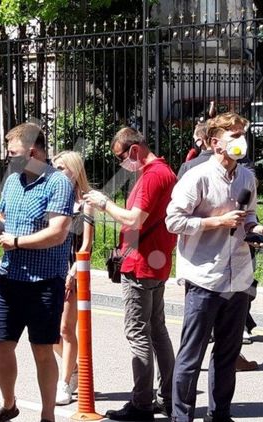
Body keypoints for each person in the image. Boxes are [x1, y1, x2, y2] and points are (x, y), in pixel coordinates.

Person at [165, 112, 263, 422]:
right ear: (214, 142)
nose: (241, 140)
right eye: (233, 135)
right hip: (204, 277)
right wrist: (216, 222)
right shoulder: (197, 177)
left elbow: (249, 214)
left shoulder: (247, 177)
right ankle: (181, 417)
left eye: (242, 134)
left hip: (239, 277)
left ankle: (219, 415)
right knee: (191, 355)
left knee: (227, 354)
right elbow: (173, 221)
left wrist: (255, 229)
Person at [0, 123, 74, 422]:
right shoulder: (12, 181)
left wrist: (17, 241)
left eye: (13, 153)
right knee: (1, 347)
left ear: (33, 152)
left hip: (44, 282)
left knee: (42, 350)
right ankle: (8, 404)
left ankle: (48, 415)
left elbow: (57, 233)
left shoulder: (58, 183)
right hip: (9, 278)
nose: (8, 158)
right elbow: (7, 224)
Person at [83, 127, 177, 421]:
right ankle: (169, 398)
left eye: (121, 156)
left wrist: (104, 203)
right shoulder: (165, 172)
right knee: (158, 330)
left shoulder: (151, 176)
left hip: (140, 264)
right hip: (157, 261)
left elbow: (135, 219)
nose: (121, 162)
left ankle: (141, 403)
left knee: (138, 333)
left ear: (134, 150)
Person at [50, 150, 95, 406]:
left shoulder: (85, 202)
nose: (56, 173)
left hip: (73, 270)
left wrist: (73, 271)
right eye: (54, 167)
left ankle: (64, 382)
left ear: (75, 171)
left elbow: (86, 244)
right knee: (46, 331)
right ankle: (74, 367)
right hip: (50, 269)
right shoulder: (51, 198)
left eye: (61, 168)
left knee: (66, 329)